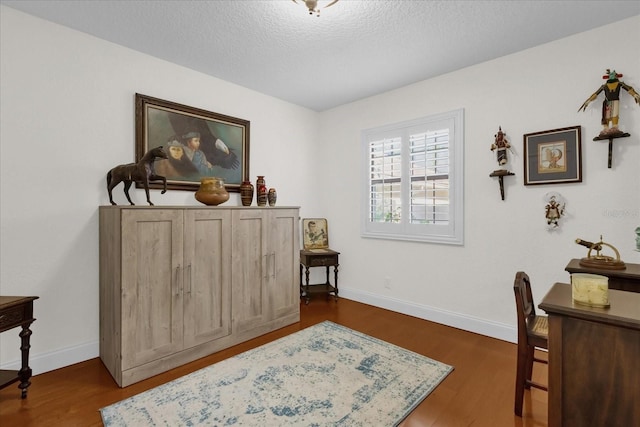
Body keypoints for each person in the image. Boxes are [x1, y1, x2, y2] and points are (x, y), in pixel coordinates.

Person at [579, 69, 640, 136]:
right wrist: (589, 100)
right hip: (607, 102)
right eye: (610, 75)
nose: (612, 76)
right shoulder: (604, 86)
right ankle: (606, 128)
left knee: (615, 114)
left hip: (616, 101)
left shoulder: (619, 84)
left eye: (613, 75)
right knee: (606, 116)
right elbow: (596, 94)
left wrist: (635, 94)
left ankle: (615, 127)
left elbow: (629, 89)